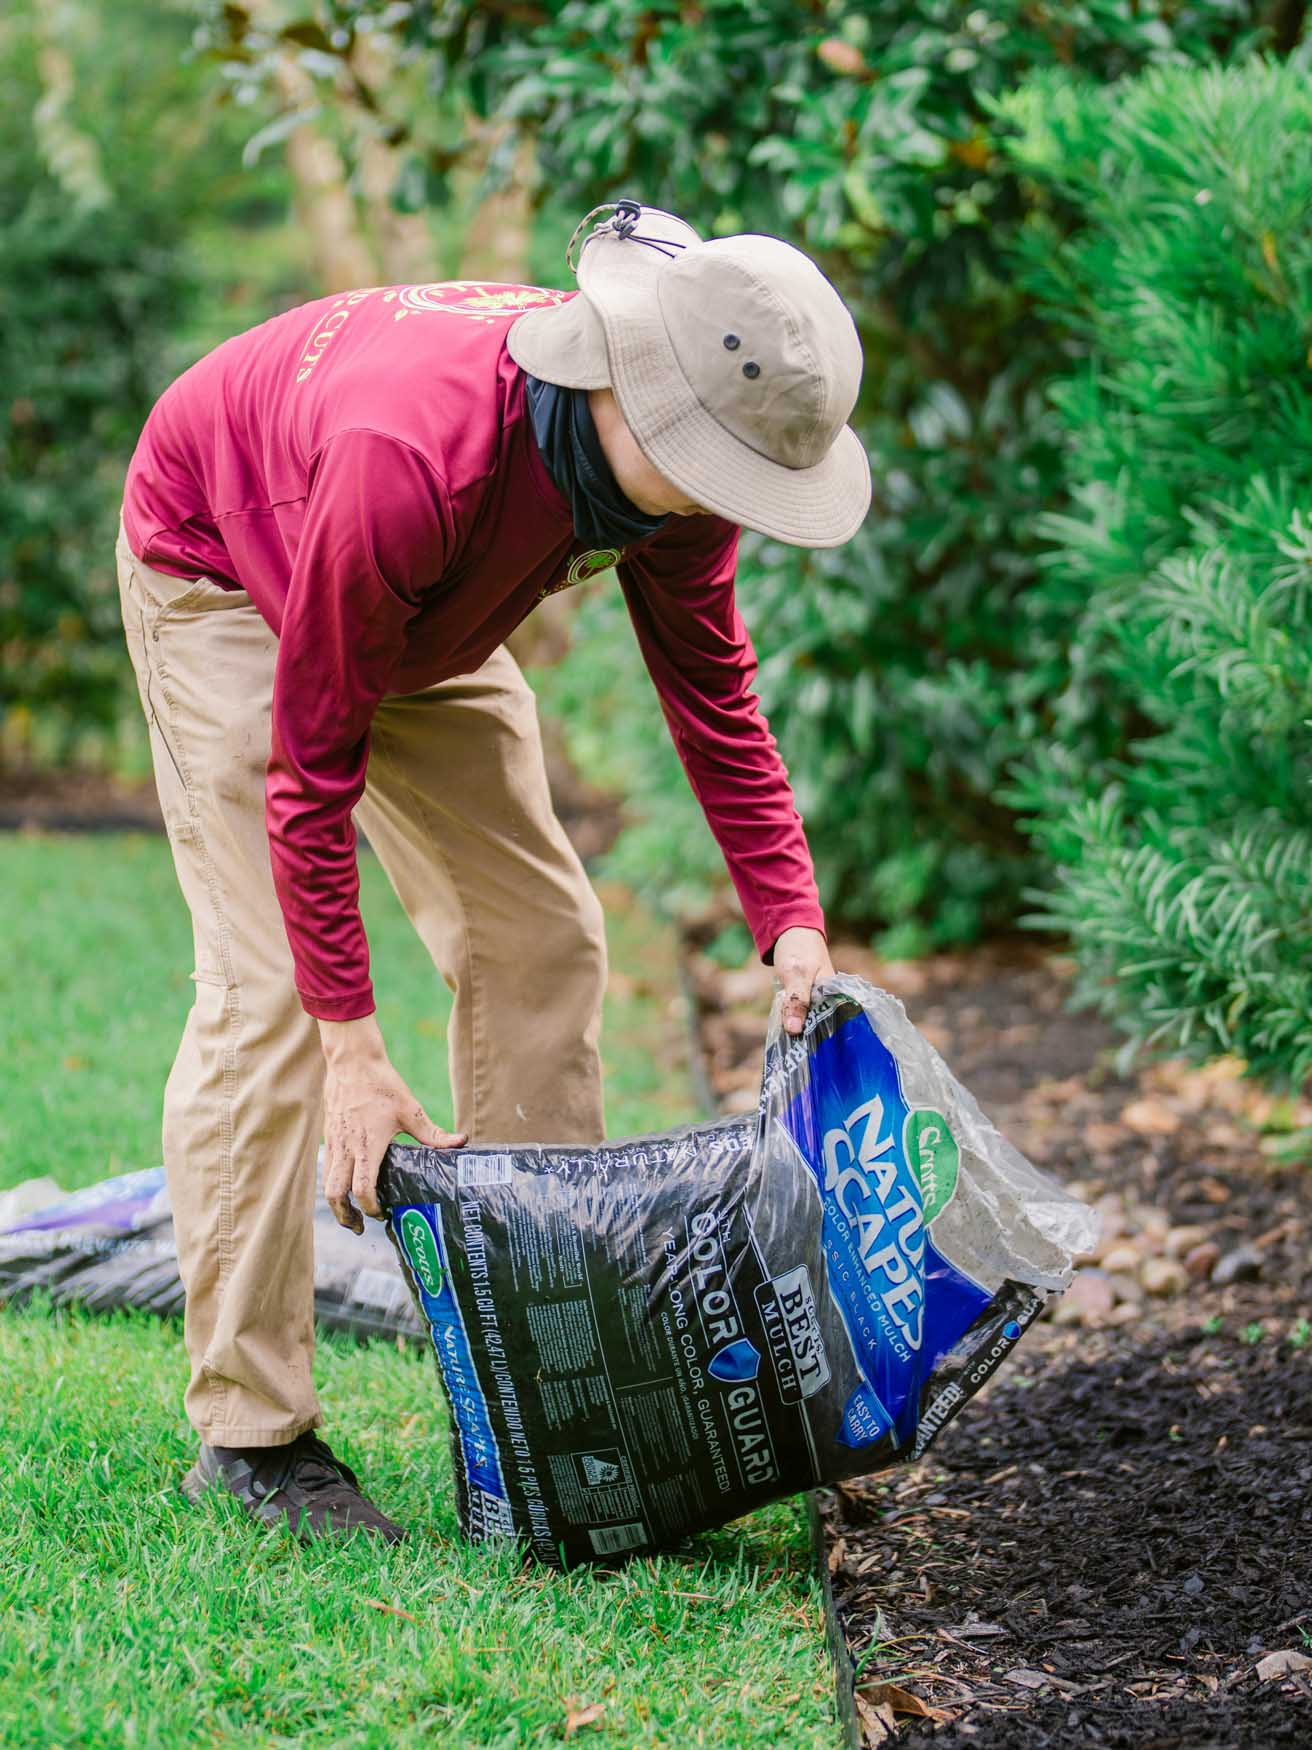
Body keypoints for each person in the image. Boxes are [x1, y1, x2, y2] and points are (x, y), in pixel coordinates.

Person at [117, 199, 872, 1543]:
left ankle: (549, 1378)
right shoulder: (416, 456)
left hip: (418, 608)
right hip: (231, 572)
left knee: (544, 940)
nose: (722, 505)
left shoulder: (686, 467)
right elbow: (310, 771)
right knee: (271, 998)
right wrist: (356, 1045)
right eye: (715, 472)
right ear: (637, 388)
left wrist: (792, 926)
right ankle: (249, 1436)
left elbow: (716, 697)